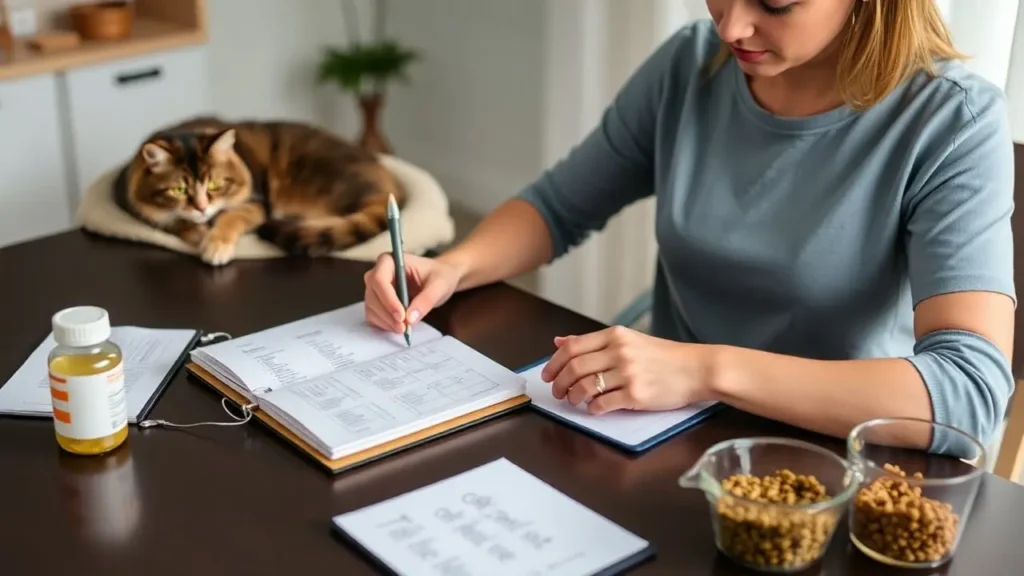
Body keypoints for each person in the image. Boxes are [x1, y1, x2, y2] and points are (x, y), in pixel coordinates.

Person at [363, 0, 1016, 458]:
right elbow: (558, 206)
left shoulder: (954, 125)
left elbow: (969, 392)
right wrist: (454, 265)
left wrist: (705, 370)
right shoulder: (692, 63)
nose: (731, 24)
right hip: (664, 442)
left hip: (833, 468)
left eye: (775, 1)